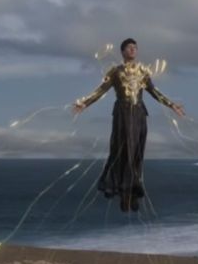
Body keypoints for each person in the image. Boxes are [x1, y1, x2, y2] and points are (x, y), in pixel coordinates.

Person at [72, 38, 185, 212]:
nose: (133, 50)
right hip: (122, 113)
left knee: (137, 152)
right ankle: (123, 192)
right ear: (123, 52)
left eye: (135, 47)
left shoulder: (143, 72)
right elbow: (101, 89)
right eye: (129, 47)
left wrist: (172, 105)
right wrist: (84, 103)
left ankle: (133, 192)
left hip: (139, 113)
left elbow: (154, 92)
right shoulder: (115, 72)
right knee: (123, 151)